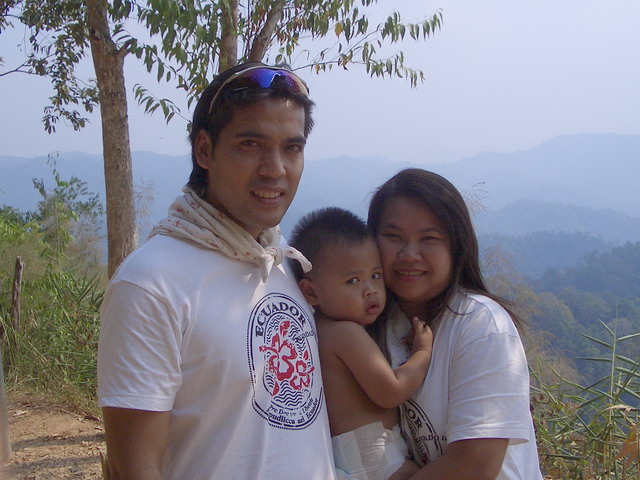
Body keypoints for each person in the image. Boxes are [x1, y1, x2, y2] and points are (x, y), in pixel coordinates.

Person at [97, 63, 337, 480]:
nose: (275, 169)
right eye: (250, 144)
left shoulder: (283, 262)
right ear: (204, 150)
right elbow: (134, 467)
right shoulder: (152, 283)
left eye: (292, 148)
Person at [367, 169, 543, 480]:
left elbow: (475, 466)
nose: (409, 254)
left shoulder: (482, 326)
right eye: (393, 237)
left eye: (429, 238)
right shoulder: (373, 326)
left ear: (456, 247)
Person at [289, 207, 433, 480]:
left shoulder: (316, 330)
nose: (370, 289)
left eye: (376, 275)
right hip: (376, 462)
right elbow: (391, 391)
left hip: (350, 461)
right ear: (311, 291)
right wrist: (422, 352)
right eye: (353, 280)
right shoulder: (346, 333)